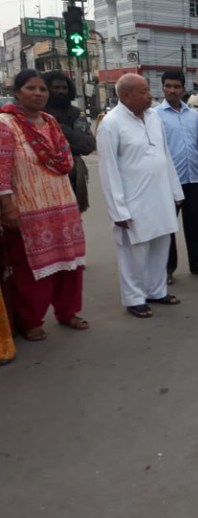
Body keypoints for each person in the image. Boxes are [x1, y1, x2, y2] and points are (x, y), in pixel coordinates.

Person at [0, 70, 88, 340]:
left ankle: (67, 311)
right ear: (17, 92)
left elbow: (66, 160)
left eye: (42, 89)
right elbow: (2, 170)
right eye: (31, 88)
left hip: (62, 205)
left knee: (69, 263)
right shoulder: (5, 123)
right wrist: (7, 206)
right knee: (29, 269)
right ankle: (30, 320)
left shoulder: (50, 122)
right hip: (28, 209)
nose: (38, 94)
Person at [98, 74, 184, 318]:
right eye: (144, 91)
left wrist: (175, 190)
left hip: (161, 196)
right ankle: (135, 298)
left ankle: (156, 291)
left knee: (160, 245)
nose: (150, 95)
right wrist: (118, 211)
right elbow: (108, 170)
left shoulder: (153, 117)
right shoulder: (111, 124)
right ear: (126, 95)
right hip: (133, 200)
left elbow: (164, 154)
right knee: (134, 252)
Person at [156, 71, 198, 284]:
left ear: (183, 89)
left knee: (195, 224)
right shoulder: (155, 115)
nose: (172, 90)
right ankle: (167, 268)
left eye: (176, 86)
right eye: (168, 86)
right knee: (168, 227)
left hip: (192, 179)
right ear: (163, 88)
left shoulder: (193, 115)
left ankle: (197, 262)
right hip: (168, 181)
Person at [43, 71, 95, 213]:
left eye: (64, 88)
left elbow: (87, 145)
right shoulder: (37, 113)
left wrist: (60, 130)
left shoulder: (76, 114)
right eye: (56, 87)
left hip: (71, 178)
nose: (61, 91)